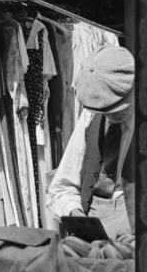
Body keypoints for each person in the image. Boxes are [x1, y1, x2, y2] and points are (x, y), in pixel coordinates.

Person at [47, 44, 134, 237]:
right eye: (104, 110)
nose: (110, 115)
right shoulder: (92, 115)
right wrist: (76, 214)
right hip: (94, 224)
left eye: (116, 108)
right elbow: (62, 186)